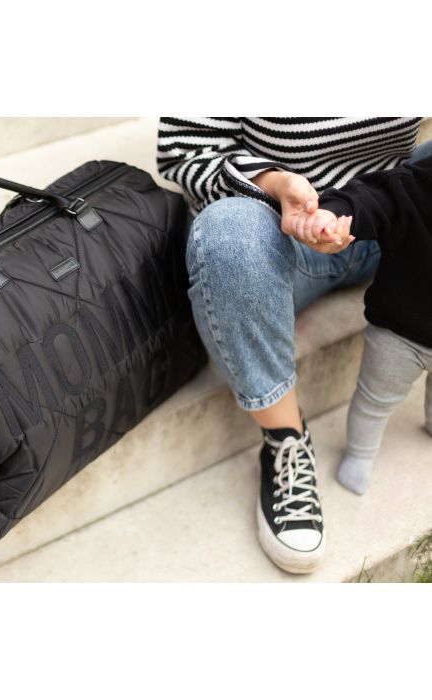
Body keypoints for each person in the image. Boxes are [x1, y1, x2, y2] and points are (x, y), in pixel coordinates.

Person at [156, 117, 429, 574]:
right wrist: (274, 182)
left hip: (392, 212)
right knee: (229, 235)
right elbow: (185, 149)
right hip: (283, 229)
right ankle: (285, 438)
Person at [288, 154, 432, 496]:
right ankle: (360, 453)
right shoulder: (422, 182)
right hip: (400, 332)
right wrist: (336, 212)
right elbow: (380, 195)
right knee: (375, 399)